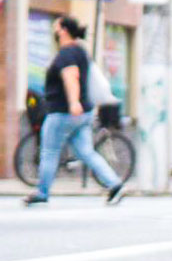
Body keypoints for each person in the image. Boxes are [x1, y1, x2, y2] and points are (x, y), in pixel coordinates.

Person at [23, 16, 126, 206]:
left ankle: (42, 192)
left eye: (56, 26)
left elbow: (71, 77)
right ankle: (114, 184)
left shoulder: (66, 54)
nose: (53, 30)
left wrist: (73, 102)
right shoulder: (81, 52)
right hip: (84, 113)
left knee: (49, 152)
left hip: (63, 112)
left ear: (63, 31)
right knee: (86, 152)